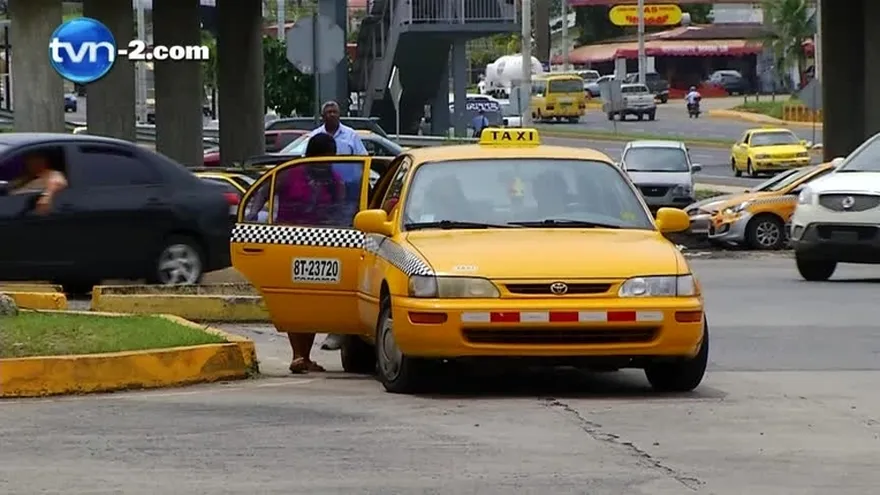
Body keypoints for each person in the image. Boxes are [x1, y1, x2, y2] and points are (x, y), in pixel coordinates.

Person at [280, 132, 344, 374]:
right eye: (325, 157)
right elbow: (264, 195)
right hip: (290, 242)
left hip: (321, 244)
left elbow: (341, 209)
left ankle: (303, 356)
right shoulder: (291, 173)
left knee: (312, 301)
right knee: (294, 302)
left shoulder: (335, 179)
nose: (328, 163)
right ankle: (298, 355)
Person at [307, 101, 368, 352]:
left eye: (335, 112)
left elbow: (363, 165)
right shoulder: (314, 139)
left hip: (347, 212)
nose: (332, 115)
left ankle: (340, 330)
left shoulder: (351, 137)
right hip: (316, 221)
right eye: (328, 112)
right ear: (321, 116)